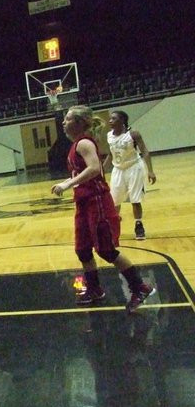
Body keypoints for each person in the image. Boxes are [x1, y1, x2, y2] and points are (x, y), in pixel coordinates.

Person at [51, 105, 155, 312]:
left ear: (79, 123)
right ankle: (95, 289)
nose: (63, 122)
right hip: (83, 202)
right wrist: (70, 184)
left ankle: (140, 287)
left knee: (106, 249)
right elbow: (85, 171)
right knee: (82, 250)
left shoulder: (84, 143)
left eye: (68, 119)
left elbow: (94, 168)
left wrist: (67, 184)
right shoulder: (75, 145)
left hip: (96, 200)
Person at [103, 110, 156, 240]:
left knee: (135, 199)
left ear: (122, 120)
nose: (110, 121)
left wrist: (150, 170)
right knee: (114, 201)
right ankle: (113, 225)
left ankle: (138, 225)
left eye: (113, 118)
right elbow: (110, 154)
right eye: (110, 119)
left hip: (134, 167)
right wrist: (101, 171)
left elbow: (145, 151)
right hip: (118, 169)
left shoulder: (133, 134)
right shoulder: (109, 135)